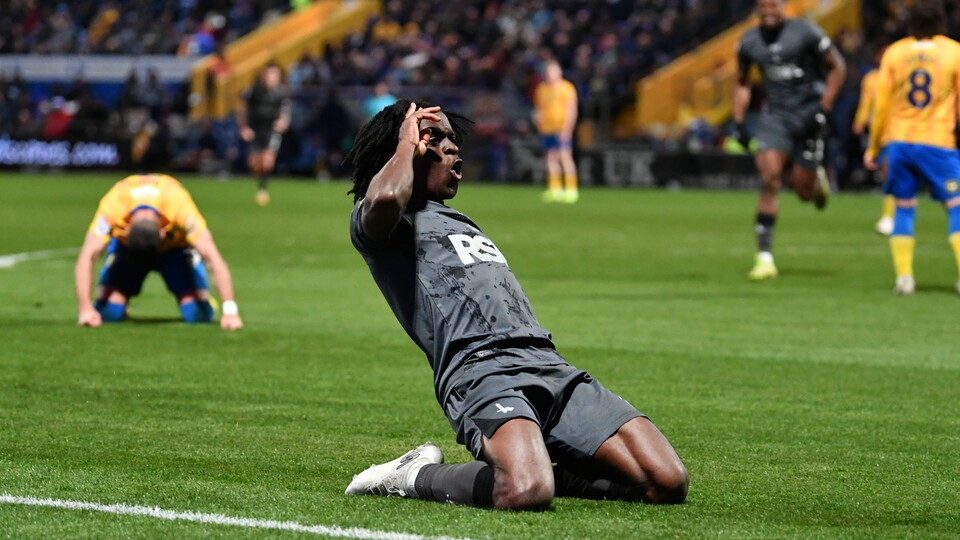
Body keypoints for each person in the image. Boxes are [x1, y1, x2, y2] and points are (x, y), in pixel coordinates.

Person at [343, 101, 688, 510]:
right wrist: (405, 143)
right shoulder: (383, 223)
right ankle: (413, 474)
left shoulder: (459, 220)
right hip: (481, 370)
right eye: (435, 138)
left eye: (453, 138)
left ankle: (538, 467)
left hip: (548, 364)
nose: (453, 148)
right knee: (524, 491)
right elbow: (384, 197)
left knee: (666, 480)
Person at [733, 0, 846, 280]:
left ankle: (816, 184)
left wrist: (824, 108)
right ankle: (764, 258)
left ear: (784, 7)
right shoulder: (749, 41)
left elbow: (838, 67)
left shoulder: (806, 32)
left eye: (774, 6)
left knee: (803, 191)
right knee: (769, 178)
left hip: (808, 115)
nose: (768, 12)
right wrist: (739, 121)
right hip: (775, 118)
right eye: (763, 7)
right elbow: (742, 82)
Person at [864, 0, 960, 295]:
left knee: (903, 208)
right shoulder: (953, 52)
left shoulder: (895, 53)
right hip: (937, 141)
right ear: (941, 22)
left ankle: (904, 278)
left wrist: (874, 147)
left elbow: (882, 106)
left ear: (909, 23)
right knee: (956, 207)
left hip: (900, 142)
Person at [75, 173, 244, 330]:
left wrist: (230, 311)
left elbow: (212, 257)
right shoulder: (113, 206)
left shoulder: (179, 206)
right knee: (108, 314)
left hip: (175, 250)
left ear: (163, 233)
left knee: (198, 315)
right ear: (126, 230)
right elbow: (87, 255)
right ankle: (120, 299)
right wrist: (85, 309)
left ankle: (203, 299)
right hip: (128, 252)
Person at [851, 48, 894, 236]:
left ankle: (889, 216)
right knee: (887, 171)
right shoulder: (870, 78)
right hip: (879, 130)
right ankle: (891, 215)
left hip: (898, 130)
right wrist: (860, 121)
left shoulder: (899, 74)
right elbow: (866, 102)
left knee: (889, 169)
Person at [237, 64, 290, 206]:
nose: (270, 78)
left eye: (274, 75)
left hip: (271, 129)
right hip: (255, 128)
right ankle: (260, 181)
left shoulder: (281, 93)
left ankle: (263, 189)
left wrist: (282, 122)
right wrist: (244, 127)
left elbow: (285, 112)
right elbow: (242, 109)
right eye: (268, 75)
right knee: (254, 164)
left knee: (268, 159)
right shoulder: (253, 91)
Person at [533, 60, 579, 204]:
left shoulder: (567, 88)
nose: (550, 75)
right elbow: (539, 108)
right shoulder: (542, 89)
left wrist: (567, 128)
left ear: (559, 72)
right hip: (547, 129)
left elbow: (571, 109)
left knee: (565, 156)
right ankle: (555, 189)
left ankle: (571, 189)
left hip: (561, 128)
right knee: (550, 158)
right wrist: (538, 121)